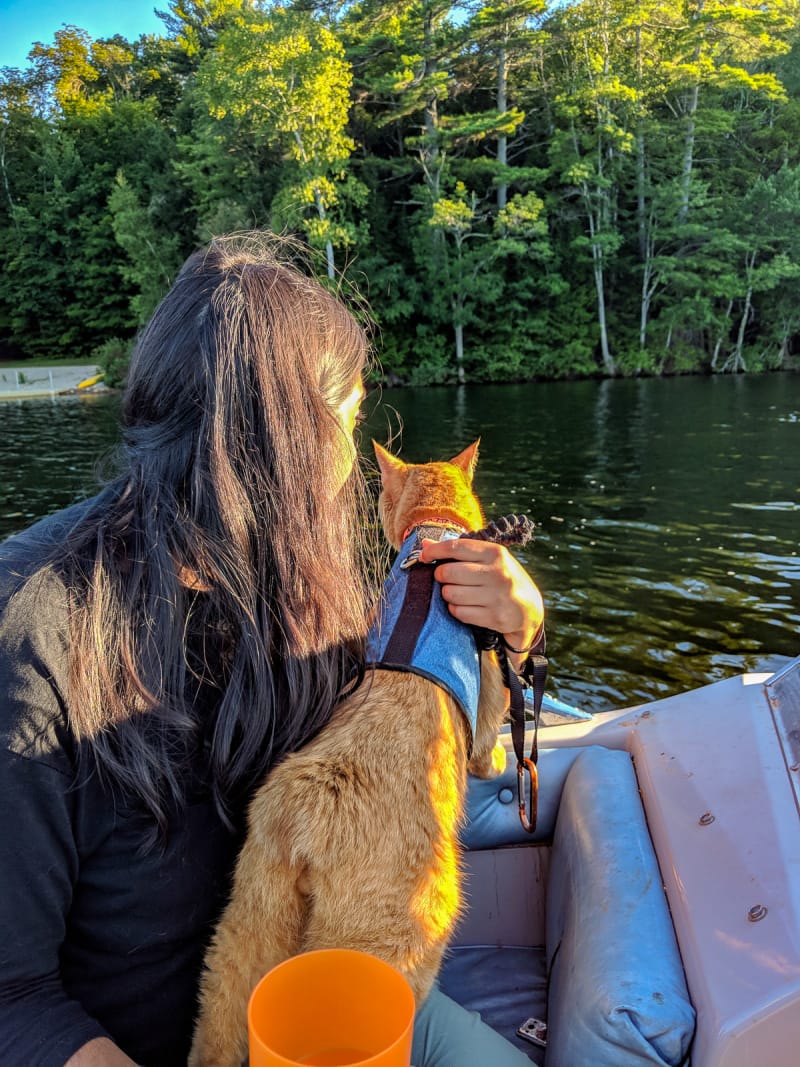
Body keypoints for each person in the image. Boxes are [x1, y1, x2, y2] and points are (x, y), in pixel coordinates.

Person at [0, 232, 545, 1067]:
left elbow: (434, 741)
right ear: (278, 445)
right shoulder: (33, 634)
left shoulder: (304, 579)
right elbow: (13, 993)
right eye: (349, 424)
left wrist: (516, 629)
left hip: (340, 989)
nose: (355, 475)